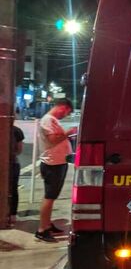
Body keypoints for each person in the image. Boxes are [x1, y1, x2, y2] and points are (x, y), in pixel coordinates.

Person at [35, 98, 76, 242]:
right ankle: (42, 229)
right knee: (49, 196)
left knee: (52, 197)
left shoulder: (51, 120)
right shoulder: (48, 120)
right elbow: (53, 139)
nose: (65, 115)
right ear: (62, 107)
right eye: (67, 112)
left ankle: (47, 223)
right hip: (52, 164)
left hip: (58, 163)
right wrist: (69, 132)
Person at [7, 117, 23, 226]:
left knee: (13, 189)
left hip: (12, 164)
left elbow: (19, 150)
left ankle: (12, 214)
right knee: (13, 189)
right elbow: (19, 150)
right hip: (13, 163)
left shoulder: (16, 131)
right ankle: (12, 214)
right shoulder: (16, 130)